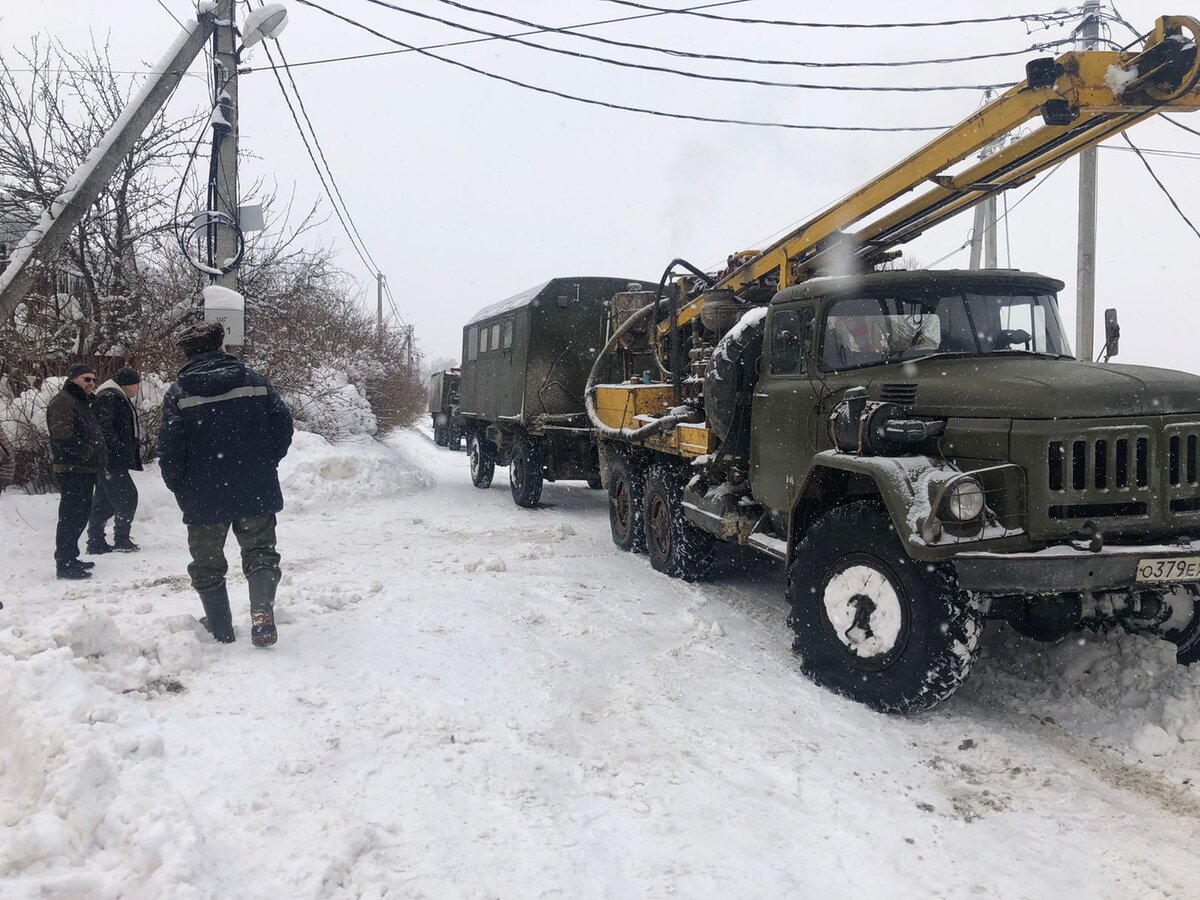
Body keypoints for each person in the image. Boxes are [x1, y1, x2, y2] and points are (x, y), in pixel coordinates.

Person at [157, 322, 294, 647]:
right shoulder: (255, 382)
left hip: (203, 494)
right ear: (221, 346)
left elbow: (169, 448)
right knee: (261, 552)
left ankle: (221, 629)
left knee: (206, 564)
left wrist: (180, 486)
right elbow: (283, 425)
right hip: (254, 486)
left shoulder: (179, 393)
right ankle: (262, 615)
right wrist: (264, 462)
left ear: (187, 354)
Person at [46, 363, 105, 579]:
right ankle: (65, 562)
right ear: (73, 379)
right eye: (86, 379)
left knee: (79, 515)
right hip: (72, 468)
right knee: (71, 516)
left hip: (84, 468)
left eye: (93, 380)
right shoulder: (63, 401)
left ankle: (71, 556)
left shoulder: (81, 402)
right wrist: (88, 451)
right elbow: (62, 436)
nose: (91, 383)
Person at [87, 367, 144, 554]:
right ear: (127, 385)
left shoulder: (113, 396)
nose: (137, 388)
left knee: (104, 499)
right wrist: (118, 448)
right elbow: (104, 427)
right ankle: (121, 538)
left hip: (109, 459)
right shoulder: (109, 396)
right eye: (136, 384)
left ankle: (95, 541)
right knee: (128, 497)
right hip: (111, 459)